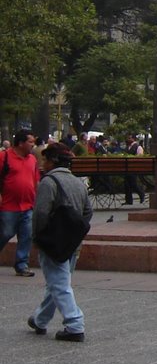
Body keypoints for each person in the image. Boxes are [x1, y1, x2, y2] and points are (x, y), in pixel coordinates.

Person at [28, 143, 92, 341]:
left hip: (53, 241)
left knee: (59, 284)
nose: (43, 164)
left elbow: (40, 213)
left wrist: (37, 236)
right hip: (73, 242)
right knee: (58, 282)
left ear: (52, 162)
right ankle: (40, 319)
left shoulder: (49, 182)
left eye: (45, 160)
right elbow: (88, 212)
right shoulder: (78, 183)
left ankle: (74, 324)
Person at [0, 129, 39, 276]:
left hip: (27, 205)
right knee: (5, 233)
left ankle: (22, 264)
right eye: (30, 142)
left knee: (26, 235)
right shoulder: (4, 157)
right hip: (8, 205)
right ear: (21, 143)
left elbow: (35, 181)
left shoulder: (32, 159)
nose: (33, 145)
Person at [123, 134, 146, 206]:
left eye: (129, 138)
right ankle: (129, 200)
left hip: (134, 168)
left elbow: (140, 157)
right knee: (127, 184)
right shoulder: (128, 147)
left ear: (133, 139)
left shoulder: (138, 147)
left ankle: (141, 194)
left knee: (133, 183)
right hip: (127, 168)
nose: (128, 139)